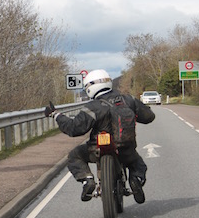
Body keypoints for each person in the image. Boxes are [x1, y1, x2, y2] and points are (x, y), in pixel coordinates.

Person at [45, 69, 155, 203]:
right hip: (126, 148)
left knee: (74, 155)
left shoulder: (93, 106)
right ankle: (136, 179)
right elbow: (149, 117)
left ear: (90, 87)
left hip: (95, 149)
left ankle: (87, 180)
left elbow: (74, 128)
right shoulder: (128, 100)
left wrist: (56, 114)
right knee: (137, 163)